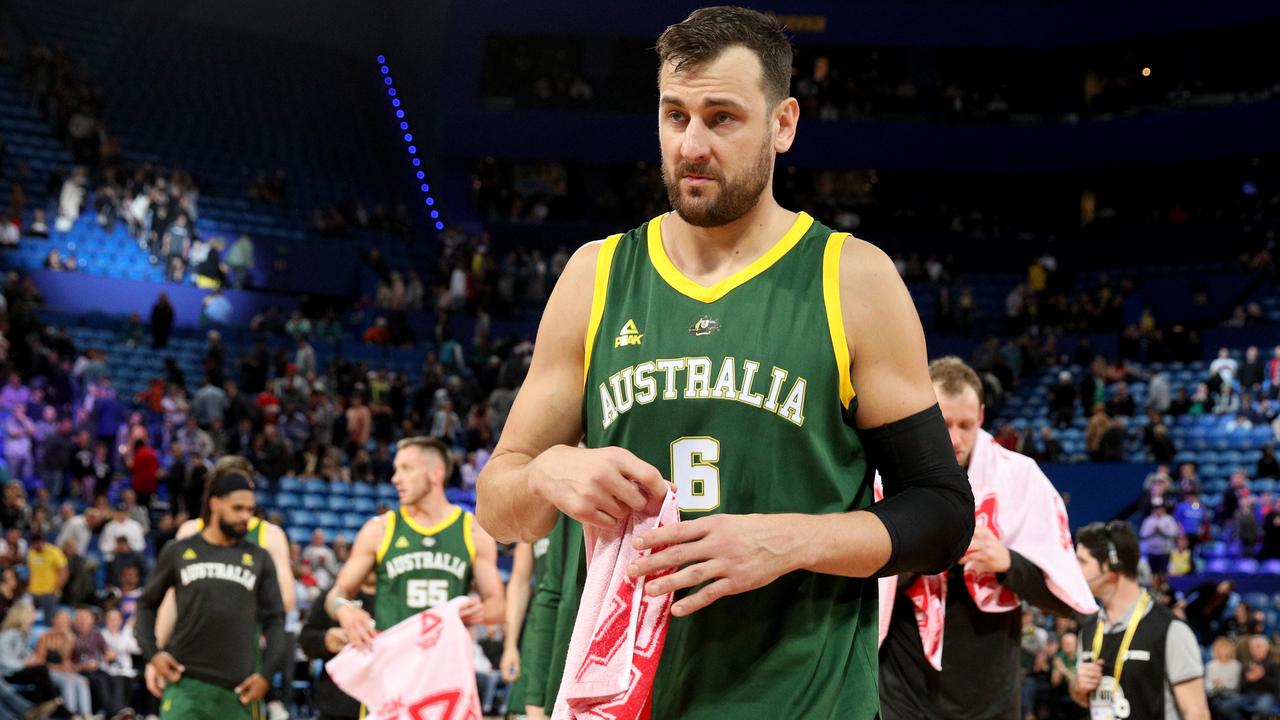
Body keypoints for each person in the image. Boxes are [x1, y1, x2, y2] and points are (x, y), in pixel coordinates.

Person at [474, 7, 974, 717]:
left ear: (783, 123)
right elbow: (500, 506)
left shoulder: (852, 280)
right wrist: (548, 473)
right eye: (674, 116)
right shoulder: (596, 276)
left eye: (722, 117)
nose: (692, 144)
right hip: (633, 701)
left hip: (806, 702)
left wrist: (787, 541)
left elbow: (944, 513)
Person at [878, 358, 1096, 720]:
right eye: (942, 423)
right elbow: (860, 584)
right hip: (902, 691)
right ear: (921, 413)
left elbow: (1065, 598)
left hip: (989, 697)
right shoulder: (884, 477)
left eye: (965, 425)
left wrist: (1007, 562)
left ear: (981, 415)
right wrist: (922, 551)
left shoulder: (1022, 480)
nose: (954, 438)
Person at [147, 456, 295, 720]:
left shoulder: (268, 537)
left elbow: (285, 602)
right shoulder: (189, 533)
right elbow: (171, 600)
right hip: (188, 661)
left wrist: (231, 597)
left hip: (239, 658)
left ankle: (274, 701)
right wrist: (155, 652)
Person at [327, 436, 504, 636]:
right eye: (396, 469)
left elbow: (497, 605)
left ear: (435, 474)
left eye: (407, 468)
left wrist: (480, 612)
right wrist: (344, 609)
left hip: (444, 658)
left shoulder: (471, 531)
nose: (395, 478)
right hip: (392, 657)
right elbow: (336, 594)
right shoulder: (379, 529)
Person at [1070, 521, 1209, 720]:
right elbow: (1086, 700)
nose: (1075, 570)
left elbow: (1197, 713)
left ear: (1112, 565)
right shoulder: (1090, 628)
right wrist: (1078, 687)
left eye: (1082, 562)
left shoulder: (1170, 630)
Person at [299, 572, 374, 720]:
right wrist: (325, 640)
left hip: (389, 702)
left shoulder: (402, 596)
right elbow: (305, 639)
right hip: (338, 706)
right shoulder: (334, 595)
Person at [500, 537, 550, 719]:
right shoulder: (535, 515)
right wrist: (510, 646)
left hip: (578, 626)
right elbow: (519, 580)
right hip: (538, 638)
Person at [25, 533, 67, 626]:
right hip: (33, 591)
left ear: (42, 542)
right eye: (33, 544)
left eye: (37, 543)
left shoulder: (54, 551)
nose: (35, 546)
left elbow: (64, 572)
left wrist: (57, 589)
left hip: (49, 591)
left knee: (48, 620)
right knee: (27, 617)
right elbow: (30, 571)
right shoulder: (31, 552)